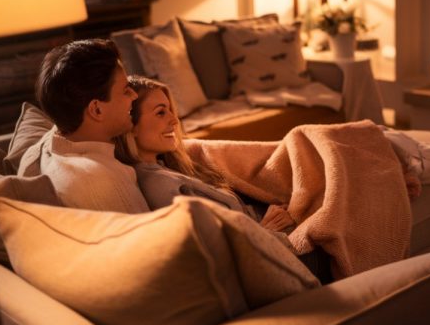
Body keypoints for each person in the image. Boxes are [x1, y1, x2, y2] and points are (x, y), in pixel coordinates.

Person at [115, 76, 296, 232]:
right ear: (130, 125)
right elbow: (221, 249)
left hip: (272, 219)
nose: (175, 120)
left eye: (171, 110)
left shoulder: (170, 163)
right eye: (161, 112)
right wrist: (267, 229)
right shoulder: (160, 186)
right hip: (275, 240)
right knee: (300, 137)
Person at [18, 39, 149, 213]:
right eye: (125, 90)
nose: (133, 95)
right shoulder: (105, 185)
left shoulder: (47, 144)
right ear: (96, 109)